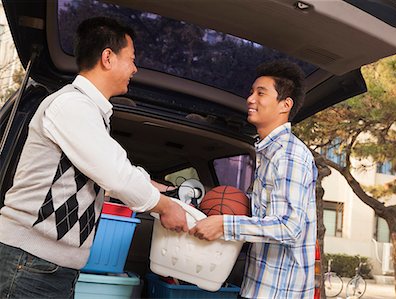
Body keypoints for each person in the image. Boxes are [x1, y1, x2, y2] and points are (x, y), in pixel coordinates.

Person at [0, 17, 188, 298]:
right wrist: (165, 207)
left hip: (45, 267)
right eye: (132, 59)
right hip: (28, 263)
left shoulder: (89, 112)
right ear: (108, 58)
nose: (135, 69)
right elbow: (115, 174)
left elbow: (106, 168)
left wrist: (146, 182)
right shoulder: (72, 105)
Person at [189, 60, 317, 298]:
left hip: (280, 291)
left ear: (285, 105)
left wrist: (224, 225)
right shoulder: (268, 153)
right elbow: (262, 213)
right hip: (256, 285)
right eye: (251, 92)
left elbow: (289, 227)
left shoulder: (290, 154)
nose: (250, 99)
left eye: (261, 93)